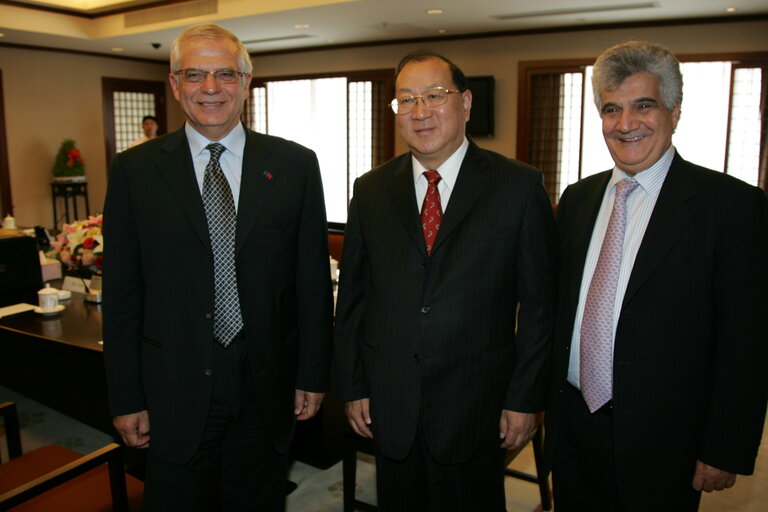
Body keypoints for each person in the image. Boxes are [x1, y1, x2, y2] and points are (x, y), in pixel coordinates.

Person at [102, 24, 333, 511]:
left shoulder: (295, 165)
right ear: (174, 83)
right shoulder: (134, 172)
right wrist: (126, 397)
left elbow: (311, 283)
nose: (211, 87)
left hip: (265, 383)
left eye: (226, 73)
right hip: (172, 387)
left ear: (247, 81)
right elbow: (122, 294)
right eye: (195, 74)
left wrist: (313, 373)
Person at [544, 40, 768, 510]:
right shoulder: (578, 199)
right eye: (611, 109)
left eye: (643, 106)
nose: (625, 125)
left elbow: (745, 342)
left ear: (675, 111)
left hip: (666, 439)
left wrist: (723, 445)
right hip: (574, 426)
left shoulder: (731, 207)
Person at [334, 49, 556, 511]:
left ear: (467, 103)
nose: (420, 111)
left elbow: (539, 308)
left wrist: (524, 399)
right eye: (406, 99)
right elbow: (353, 301)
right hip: (391, 403)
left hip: (477, 406)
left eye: (435, 95)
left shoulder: (518, 187)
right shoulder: (370, 190)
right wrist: (353, 385)